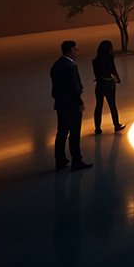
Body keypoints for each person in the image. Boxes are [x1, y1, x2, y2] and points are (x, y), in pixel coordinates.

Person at [51, 40, 90, 171]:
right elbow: (75, 88)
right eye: (76, 49)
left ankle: (60, 160)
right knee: (74, 133)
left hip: (61, 105)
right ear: (71, 50)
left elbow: (55, 90)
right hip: (72, 106)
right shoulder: (70, 67)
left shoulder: (56, 65)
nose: (77, 51)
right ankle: (77, 160)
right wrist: (80, 102)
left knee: (61, 133)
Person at [91, 40, 123, 134]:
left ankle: (97, 128)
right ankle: (116, 125)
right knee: (112, 105)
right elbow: (113, 70)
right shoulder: (109, 58)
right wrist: (117, 78)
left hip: (99, 85)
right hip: (109, 85)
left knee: (98, 106)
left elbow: (97, 75)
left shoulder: (95, 61)